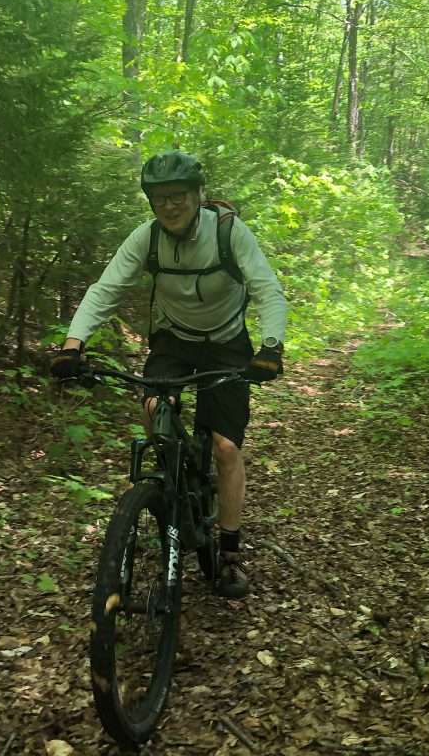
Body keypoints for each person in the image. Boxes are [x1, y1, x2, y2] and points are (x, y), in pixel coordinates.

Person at [50, 150, 287, 599]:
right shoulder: (146, 238)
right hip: (173, 340)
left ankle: (230, 552)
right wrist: (72, 345)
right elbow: (105, 290)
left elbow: (267, 290)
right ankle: (170, 485)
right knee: (155, 406)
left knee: (225, 446)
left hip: (225, 342)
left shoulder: (227, 232)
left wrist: (271, 347)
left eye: (177, 195)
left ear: (198, 195)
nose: (169, 205)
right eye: (159, 198)